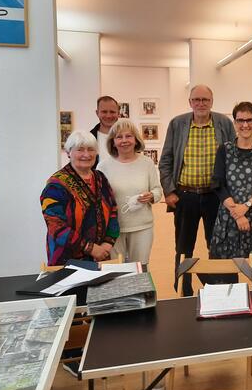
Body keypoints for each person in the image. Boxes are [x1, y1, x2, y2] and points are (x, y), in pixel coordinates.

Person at [159, 84, 236, 296]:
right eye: (196, 100)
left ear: (212, 101)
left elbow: (233, 158)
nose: (201, 103)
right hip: (186, 195)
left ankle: (218, 289)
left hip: (216, 196)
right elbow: (165, 160)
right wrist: (169, 191)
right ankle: (184, 289)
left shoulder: (223, 123)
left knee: (218, 245)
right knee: (184, 247)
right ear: (190, 102)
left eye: (205, 100)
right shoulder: (177, 124)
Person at [210, 102, 252, 288]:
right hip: (229, 219)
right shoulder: (224, 150)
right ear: (234, 123)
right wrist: (236, 212)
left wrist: (246, 207)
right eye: (240, 120)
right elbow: (218, 183)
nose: (245, 125)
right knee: (228, 270)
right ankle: (231, 312)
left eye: (249, 120)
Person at [41, 130, 119, 266]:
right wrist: (91, 248)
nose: (86, 155)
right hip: (67, 260)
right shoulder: (56, 185)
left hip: (101, 256)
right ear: (68, 153)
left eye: (91, 150)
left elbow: (113, 211)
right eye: (80, 150)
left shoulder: (100, 178)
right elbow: (56, 227)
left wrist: (107, 244)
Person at [98, 119, 163, 268]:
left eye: (128, 136)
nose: (124, 141)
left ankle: (141, 293)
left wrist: (152, 195)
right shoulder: (103, 166)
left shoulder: (147, 163)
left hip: (142, 226)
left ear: (136, 140)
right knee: (116, 269)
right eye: (119, 137)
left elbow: (158, 190)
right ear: (113, 142)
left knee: (140, 268)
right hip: (113, 228)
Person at [90, 96, 120, 166]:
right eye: (104, 112)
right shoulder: (89, 138)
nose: (108, 116)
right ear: (97, 113)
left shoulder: (129, 138)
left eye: (112, 112)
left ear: (118, 113)